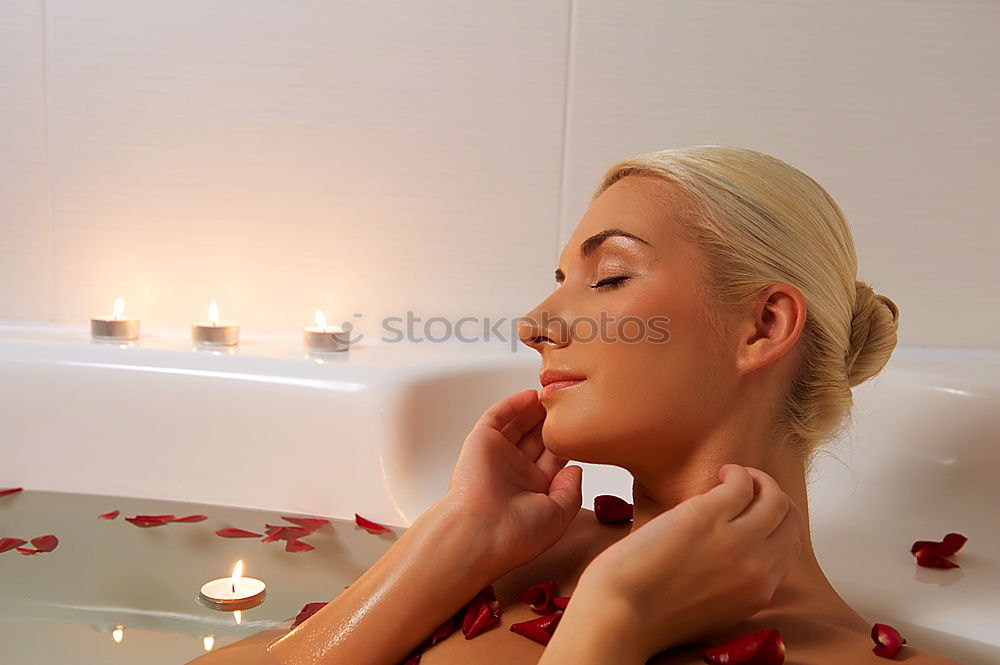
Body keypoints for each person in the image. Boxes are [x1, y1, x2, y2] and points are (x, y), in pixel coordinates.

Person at [192, 146, 962, 664]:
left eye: (610, 275)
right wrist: (450, 542)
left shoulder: (843, 651)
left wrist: (615, 616)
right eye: (560, 277)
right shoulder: (506, 554)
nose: (534, 324)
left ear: (761, 326)